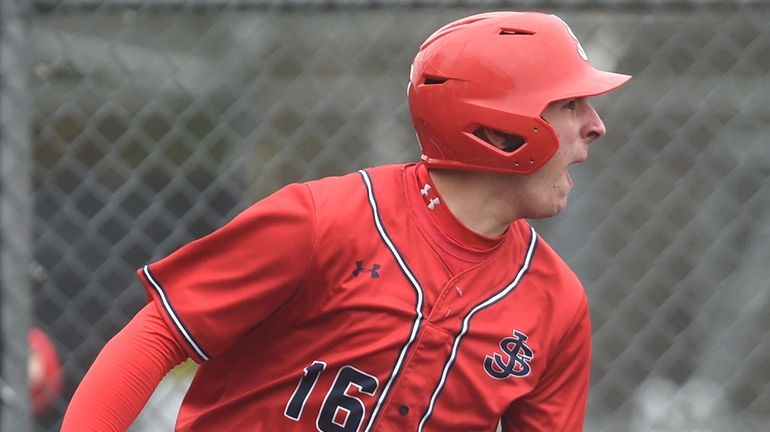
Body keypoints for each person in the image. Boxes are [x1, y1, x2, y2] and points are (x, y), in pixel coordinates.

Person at [63, 11, 630, 431]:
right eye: (570, 104)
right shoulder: (324, 220)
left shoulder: (556, 303)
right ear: (502, 126)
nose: (595, 126)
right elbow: (157, 335)